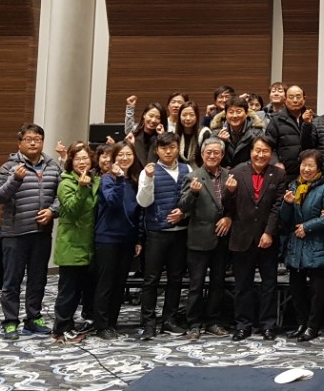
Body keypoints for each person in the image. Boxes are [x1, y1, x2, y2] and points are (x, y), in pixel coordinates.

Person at [0, 124, 61, 340]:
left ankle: (33, 318)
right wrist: (15, 180)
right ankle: (10, 321)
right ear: (20, 143)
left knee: (38, 279)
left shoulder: (52, 167)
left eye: (37, 139)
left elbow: (61, 196)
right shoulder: (8, 167)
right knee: (12, 281)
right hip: (14, 233)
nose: (33, 143)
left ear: (42, 142)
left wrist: (52, 211)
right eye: (28, 139)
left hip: (41, 233)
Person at [224, 136, 285, 341]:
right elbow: (227, 207)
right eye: (257, 150)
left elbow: (277, 206)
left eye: (265, 151)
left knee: (269, 284)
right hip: (242, 236)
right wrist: (230, 192)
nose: (260, 155)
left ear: (271, 153)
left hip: (268, 237)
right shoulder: (236, 172)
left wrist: (269, 232)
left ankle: (268, 325)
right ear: (251, 152)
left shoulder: (278, 174)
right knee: (243, 284)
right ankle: (243, 325)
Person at [135, 131, 190, 340]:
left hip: (181, 233)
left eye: (172, 147)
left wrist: (184, 213)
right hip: (157, 233)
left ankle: (169, 320)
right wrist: (149, 179)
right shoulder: (148, 171)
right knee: (151, 280)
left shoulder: (187, 169)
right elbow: (143, 202)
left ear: (178, 148)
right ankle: (148, 323)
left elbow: (191, 200)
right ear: (157, 150)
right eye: (164, 148)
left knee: (176, 279)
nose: (168, 151)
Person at [279, 148, 324, 341]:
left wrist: (308, 226)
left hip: (316, 244)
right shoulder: (293, 186)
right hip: (296, 245)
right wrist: (287, 204)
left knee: (317, 291)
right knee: (296, 289)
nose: (306, 169)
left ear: (318, 168)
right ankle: (301, 323)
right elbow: (284, 221)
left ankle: (313, 326)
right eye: (304, 165)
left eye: (311, 166)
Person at [179, 136, 233, 339]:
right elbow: (183, 207)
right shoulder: (192, 177)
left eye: (216, 152)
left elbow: (235, 204)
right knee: (196, 284)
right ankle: (193, 323)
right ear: (202, 155)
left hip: (222, 238)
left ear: (222, 155)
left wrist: (229, 217)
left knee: (218, 283)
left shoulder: (229, 176)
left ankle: (213, 321)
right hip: (199, 239)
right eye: (208, 152)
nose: (212, 156)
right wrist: (193, 194)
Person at [92, 141, 142, 340]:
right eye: (120, 155)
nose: (124, 158)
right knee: (106, 283)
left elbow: (138, 212)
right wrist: (119, 179)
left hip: (127, 238)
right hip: (107, 237)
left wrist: (138, 239)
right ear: (114, 159)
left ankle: (112, 322)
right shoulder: (108, 179)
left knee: (120, 283)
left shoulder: (135, 181)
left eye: (128, 154)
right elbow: (113, 202)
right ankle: (101, 324)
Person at [52, 143, 100, 342]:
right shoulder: (66, 183)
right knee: (68, 291)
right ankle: (61, 328)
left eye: (85, 158)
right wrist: (80, 189)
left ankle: (82, 322)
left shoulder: (95, 181)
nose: (82, 162)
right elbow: (71, 209)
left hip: (89, 243)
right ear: (71, 162)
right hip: (71, 243)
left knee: (86, 288)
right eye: (78, 159)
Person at [264, 84, 307, 180]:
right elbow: (268, 146)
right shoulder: (276, 121)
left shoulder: (313, 119)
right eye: (291, 97)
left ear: (304, 99)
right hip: (284, 174)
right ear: (285, 100)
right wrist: (275, 162)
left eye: (298, 97)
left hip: (309, 172)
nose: (295, 100)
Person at [218, 95, 265, 167]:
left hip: (249, 171)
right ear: (226, 115)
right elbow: (213, 158)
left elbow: (260, 156)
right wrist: (221, 143)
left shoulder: (256, 132)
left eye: (238, 112)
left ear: (246, 114)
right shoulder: (218, 130)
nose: (234, 116)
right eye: (231, 112)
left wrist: (238, 170)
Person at [128, 101, 165, 166]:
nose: (153, 120)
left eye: (158, 118)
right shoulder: (133, 136)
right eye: (151, 116)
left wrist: (162, 137)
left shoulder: (163, 136)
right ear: (144, 115)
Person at [175, 100, 210, 168]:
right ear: (179, 116)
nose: (188, 118)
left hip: (201, 171)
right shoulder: (176, 134)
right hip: (180, 171)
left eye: (191, 115)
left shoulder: (204, 133)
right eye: (184, 115)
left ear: (197, 116)